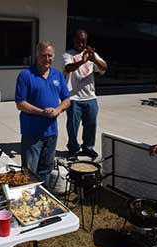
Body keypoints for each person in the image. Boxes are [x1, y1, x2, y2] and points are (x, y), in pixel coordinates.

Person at [15, 41, 70, 187]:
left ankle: (43, 199)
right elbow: (20, 103)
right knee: (29, 172)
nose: (47, 59)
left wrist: (58, 110)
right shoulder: (26, 75)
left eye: (50, 56)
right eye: (44, 55)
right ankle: (28, 201)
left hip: (51, 133)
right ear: (37, 56)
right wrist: (42, 112)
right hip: (32, 132)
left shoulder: (57, 75)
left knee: (45, 170)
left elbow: (67, 99)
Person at [63, 29, 107, 160]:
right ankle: (73, 149)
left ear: (86, 41)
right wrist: (83, 61)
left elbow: (104, 68)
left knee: (91, 125)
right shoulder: (68, 55)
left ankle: (88, 148)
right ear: (73, 40)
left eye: (83, 42)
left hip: (90, 97)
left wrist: (94, 59)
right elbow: (68, 68)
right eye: (78, 41)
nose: (80, 44)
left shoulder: (92, 54)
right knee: (72, 127)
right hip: (73, 98)